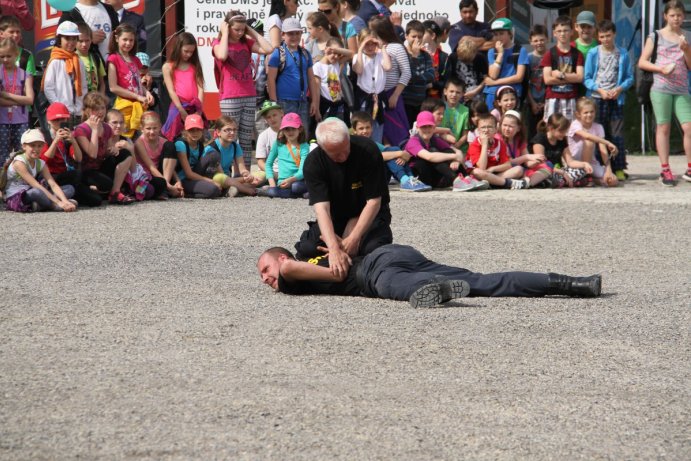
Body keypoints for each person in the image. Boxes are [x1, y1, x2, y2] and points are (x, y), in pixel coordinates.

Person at [257, 244, 603, 308]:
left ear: (282, 257)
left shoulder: (293, 270)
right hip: (398, 253)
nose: (266, 278)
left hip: (376, 270)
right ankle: (573, 284)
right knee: (484, 282)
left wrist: (333, 276)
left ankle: (432, 290)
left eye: (265, 270)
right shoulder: (313, 259)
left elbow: (287, 267)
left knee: (388, 288)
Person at [295, 117, 392, 273]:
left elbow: (374, 201)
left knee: (373, 249)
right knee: (308, 249)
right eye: (336, 154)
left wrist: (353, 239)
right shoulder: (314, 163)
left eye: (345, 149)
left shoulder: (367, 149)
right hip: (336, 217)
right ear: (322, 147)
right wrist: (334, 248)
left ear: (349, 137)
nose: (343, 157)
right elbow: (322, 210)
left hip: (369, 213)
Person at [637, 0, 691, 186]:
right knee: (664, 127)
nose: (676, 19)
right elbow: (642, 62)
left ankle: (690, 168)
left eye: (679, 15)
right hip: (661, 87)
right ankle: (665, 169)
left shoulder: (688, 36)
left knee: (689, 127)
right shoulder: (655, 36)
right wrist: (661, 69)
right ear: (665, 16)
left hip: (682, 88)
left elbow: (690, 66)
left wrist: (686, 51)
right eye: (672, 15)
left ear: (684, 16)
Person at [213, 11, 274, 170]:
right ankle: (226, 172)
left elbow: (268, 49)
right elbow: (222, 55)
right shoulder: (218, 42)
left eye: (242, 29)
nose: (240, 33)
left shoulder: (246, 42)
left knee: (246, 139)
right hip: (229, 97)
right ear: (228, 27)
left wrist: (250, 31)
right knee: (229, 137)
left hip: (249, 95)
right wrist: (225, 33)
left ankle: (243, 173)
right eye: (236, 29)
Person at [583, 20, 634, 182]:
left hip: (616, 99)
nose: (606, 39)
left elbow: (630, 77)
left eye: (608, 36)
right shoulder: (593, 53)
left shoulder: (623, 53)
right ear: (598, 37)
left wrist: (619, 89)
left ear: (614, 34)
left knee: (616, 134)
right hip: (597, 98)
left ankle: (618, 168)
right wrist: (600, 90)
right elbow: (587, 78)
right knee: (599, 133)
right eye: (602, 36)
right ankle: (600, 166)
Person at [73, 91, 134, 205]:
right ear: (88, 110)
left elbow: (105, 152)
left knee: (125, 154)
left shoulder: (106, 128)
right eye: (96, 109)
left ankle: (115, 193)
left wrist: (113, 150)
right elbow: (92, 154)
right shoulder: (81, 129)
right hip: (85, 171)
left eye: (102, 108)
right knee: (98, 196)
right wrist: (95, 130)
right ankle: (92, 190)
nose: (100, 112)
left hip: (100, 167)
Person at [267, 18, 321, 138]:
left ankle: (302, 157)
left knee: (303, 135)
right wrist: (274, 104)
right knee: (286, 136)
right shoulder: (278, 53)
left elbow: (312, 79)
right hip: (284, 102)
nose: (294, 36)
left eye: (297, 33)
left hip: (303, 102)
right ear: (283, 35)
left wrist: (315, 102)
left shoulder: (305, 53)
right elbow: (270, 79)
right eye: (290, 33)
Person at [351, 110, 431, 192]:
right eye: (361, 128)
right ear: (354, 130)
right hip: (362, 181)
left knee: (393, 149)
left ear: (372, 128)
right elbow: (375, 156)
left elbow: (393, 152)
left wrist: (402, 157)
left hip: (378, 178)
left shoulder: (372, 143)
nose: (365, 131)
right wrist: (400, 153)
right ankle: (405, 180)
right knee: (392, 153)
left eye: (367, 127)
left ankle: (410, 178)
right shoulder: (354, 144)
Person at [3, 129, 77, 212]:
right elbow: (35, 185)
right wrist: (59, 202)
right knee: (37, 192)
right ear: (24, 146)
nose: (36, 149)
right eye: (32, 145)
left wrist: (65, 201)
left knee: (70, 188)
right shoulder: (19, 163)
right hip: (18, 195)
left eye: (39, 146)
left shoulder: (41, 163)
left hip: (34, 191)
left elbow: (53, 184)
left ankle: (40, 206)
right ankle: (54, 206)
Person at [369, 15, 411, 146]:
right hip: (376, 96)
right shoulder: (371, 48)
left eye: (372, 30)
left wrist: (395, 95)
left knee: (397, 134)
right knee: (381, 134)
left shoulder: (396, 47)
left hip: (392, 94)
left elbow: (406, 73)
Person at [107, 23, 154, 138]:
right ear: (117, 38)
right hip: (124, 108)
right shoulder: (113, 59)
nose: (128, 43)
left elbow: (138, 83)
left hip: (139, 107)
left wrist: (147, 92)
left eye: (131, 40)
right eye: (125, 39)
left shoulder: (135, 59)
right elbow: (113, 87)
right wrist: (137, 96)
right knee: (124, 140)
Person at [40, 102, 91, 205]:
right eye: (56, 120)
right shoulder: (44, 135)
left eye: (63, 119)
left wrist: (73, 141)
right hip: (50, 176)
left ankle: (54, 199)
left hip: (66, 175)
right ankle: (53, 199)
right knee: (75, 177)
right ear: (48, 121)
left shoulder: (68, 136)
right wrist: (55, 141)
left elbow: (78, 159)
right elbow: (44, 160)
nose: (59, 122)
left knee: (94, 200)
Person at [461, 113, 528, 190]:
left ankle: (493, 182)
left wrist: (493, 169)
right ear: (478, 130)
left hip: (493, 173)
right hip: (479, 174)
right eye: (483, 127)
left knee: (518, 169)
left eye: (490, 127)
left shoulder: (500, 143)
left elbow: (507, 165)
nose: (486, 130)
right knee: (477, 172)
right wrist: (485, 144)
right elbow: (481, 168)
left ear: (496, 129)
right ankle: (509, 183)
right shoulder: (474, 144)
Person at [405, 111, 466, 190]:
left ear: (434, 128)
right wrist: (454, 156)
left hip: (434, 177)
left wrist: (455, 160)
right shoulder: (413, 141)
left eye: (429, 126)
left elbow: (458, 152)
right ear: (417, 127)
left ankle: (465, 178)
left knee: (447, 151)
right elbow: (429, 157)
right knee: (432, 151)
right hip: (419, 178)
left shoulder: (434, 139)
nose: (427, 129)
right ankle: (456, 180)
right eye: (423, 127)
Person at [166, 114, 222, 199]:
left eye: (198, 130)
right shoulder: (181, 144)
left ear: (202, 131)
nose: (195, 133)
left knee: (214, 155)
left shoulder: (200, 145)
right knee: (213, 190)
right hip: (183, 178)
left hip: (195, 175)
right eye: (191, 130)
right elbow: (188, 174)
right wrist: (211, 181)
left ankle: (206, 187)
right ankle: (185, 193)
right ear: (185, 130)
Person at [161, 32, 205, 141]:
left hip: (194, 106)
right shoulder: (168, 66)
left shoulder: (195, 66)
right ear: (178, 48)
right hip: (178, 106)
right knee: (175, 134)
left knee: (196, 136)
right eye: (186, 51)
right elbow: (171, 91)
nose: (188, 55)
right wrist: (181, 110)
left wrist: (199, 110)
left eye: (191, 52)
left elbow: (200, 88)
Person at [566, 97, 618, 187]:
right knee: (589, 142)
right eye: (585, 112)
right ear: (578, 114)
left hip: (591, 162)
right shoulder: (575, 124)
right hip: (575, 162)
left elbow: (603, 150)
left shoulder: (598, 127)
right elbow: (587, 136)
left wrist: (608, 169)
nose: (589, 115)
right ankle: (586, 176)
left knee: (613, 181)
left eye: (592, 112)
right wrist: (608, 142)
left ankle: (593, 179)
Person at [41, 21, 88, 121]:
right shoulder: (55, 61)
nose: (71, 42)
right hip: (61, 114)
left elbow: (83, 86)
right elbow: (48, 88)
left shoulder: (79, 61)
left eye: (74, 38)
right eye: (67, 38)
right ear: (59, 40)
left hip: (77, 112)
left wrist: (80, 107)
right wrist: (59, 108)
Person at [541, 16, 584, 121]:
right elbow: (547, 80)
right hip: (553, 98)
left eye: (566, 30)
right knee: (551, 131)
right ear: (554, 33)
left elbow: (580, 77)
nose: (562, 33)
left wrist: (561, 75)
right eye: (559, 31)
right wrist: (571, 77)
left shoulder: (577, 54)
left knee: (571, 132)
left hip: (571, 98)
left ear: (572, 32)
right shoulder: (549, 54)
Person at [203, 116, 258, 197]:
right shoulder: (211, 149)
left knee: (259, 176)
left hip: (229, 179)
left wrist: (247, 175)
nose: (232, 133)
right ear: (218, 132)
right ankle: (247, 190)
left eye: (234, 130)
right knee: (221, 178)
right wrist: (243, 180)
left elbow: (242, 168)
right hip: (214, 178)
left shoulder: (235, 146)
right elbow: (221, 174)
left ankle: (234, 189)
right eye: (228, 130)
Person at [352, 28, 390, 143]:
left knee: (377, 132)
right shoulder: (358, 57)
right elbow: (358, 69)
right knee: (363, 132)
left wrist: (382, 47)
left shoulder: (380, 56)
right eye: (366, 44)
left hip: (378, 100)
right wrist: (360, 49)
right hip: (364, 100)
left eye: (372, 44)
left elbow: (388, 67)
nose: (369, 47)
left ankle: (377, 152)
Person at [0, 38, 33, 167]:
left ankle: (22, 183)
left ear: (16, 55)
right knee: (2, 155)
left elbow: (30, 99)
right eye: (2, 56)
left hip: (21, 121)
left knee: (22, 155)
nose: (5, 60)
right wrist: (20, 100)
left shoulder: (25, 75)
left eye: (9, 56)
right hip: (2, 121)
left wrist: (5, 95)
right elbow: (25, 99)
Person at [134, 111, 182, 198]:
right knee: (154, 185)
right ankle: (165, 189)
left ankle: (164, 189)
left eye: (155, 128)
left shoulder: (164, 141)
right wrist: (169, 186)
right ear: (142, 129)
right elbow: (151, 167)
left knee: (170, 145)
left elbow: (170, 166)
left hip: (162, 176)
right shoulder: (139, 143)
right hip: (146, 176)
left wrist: (178, 181)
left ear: (160, 127)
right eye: (148, 128)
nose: (152, 132)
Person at [483, 18, 529, 109]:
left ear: (510, 33)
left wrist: (494, 82)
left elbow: (519, 77)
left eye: (501, 33)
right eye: (496, 34)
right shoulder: (492, 51)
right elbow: (493, 75)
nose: (498, 37)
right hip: (493, 94)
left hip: (511, 95)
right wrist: (500, 54)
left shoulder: (520, 50)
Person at [499, 110, 551, 188]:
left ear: (518, 128)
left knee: (547, 165)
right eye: (504, 125)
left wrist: (536, 161)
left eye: (510, 126)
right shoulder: (499, 139)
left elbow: (527, 163)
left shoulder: (519, 140)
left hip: (518, 170)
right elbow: (508, 163)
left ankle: (526, 184)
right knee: (519, 170)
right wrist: (527, 157)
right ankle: (529, 182)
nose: (507, 129)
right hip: (503, 170)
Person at [265, 113, 310, 199]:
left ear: (300, 129)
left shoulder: (304, 146)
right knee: (272, 191)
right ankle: (303, 194)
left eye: (293, 129)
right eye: (287, 129)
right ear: (282, 130)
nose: (290, 132)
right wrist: (272, 183)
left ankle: (303, 192)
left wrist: (290, 180)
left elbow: (302, 172)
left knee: (295, 187)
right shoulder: (278, 144)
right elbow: (268, 164)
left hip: (298, 181)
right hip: (282, 183)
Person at [402, 20, 435, 129]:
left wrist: (416, 78)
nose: (417, 40)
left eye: (419, 37)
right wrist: (415, 56)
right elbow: (408, 75)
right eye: (413, 36)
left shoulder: (425, 56)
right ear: (406, 36)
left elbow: (431, 75)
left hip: (421, 101)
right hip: (405, 101)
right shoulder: (403, 54)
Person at [312, 37, 352, 122]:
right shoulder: (318, 67)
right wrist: (317, 111)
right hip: (326, 108)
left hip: (338, 107)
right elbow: (316, 91)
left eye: (338, 54)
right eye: (333, 53)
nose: (336, 56)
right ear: (326, 49)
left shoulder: (336, 63)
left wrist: (336, 50)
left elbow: (351, 54)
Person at [530, 113, 573, 188]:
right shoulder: (540, 139)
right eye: (561, 131)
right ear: (551, 128)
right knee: (549, 174)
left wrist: (584, 165)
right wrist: (562, 172)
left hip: (559, 171)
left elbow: (570, 161)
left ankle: (562, 181)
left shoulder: (562, 140)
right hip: (545, 171)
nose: (564, 134)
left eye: (565, 131)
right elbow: (542, 164)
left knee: (581, 170)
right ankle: (562, 181)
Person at [443, 36, 488, 104]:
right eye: (462, 60)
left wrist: (475, 91)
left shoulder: (480, 58)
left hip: (475, 91)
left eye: (468, 60)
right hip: (457, 91)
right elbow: (448, 78)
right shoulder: (453, 57)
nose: (465, 62)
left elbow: (486, 78)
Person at [525, 25, 548, 141]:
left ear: (547, 39)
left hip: (547, 102)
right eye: (536, 40)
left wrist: (545, 102)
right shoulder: (528, 58)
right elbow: (526, 84)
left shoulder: (551, 56)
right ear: (530, 41)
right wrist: (533, 103)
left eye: (542, 39)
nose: (539, 43)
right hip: (531, 103)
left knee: (546, 132)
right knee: (531, 134)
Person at [0, 16, 36, 84]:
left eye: (18, 32)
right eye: (11, 32)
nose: (16, 35)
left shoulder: (26, 55)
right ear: (1, 34)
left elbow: (28, 85)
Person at [255, 100, 284, 184]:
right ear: (265, 120)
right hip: (268, 170)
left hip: (287, 170)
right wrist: (271, 173)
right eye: (268, 117)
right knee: (257, 179)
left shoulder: (290, 132)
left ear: (281, 113)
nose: (272, 119)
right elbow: (260, 161)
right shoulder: (263, 136)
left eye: (274, 115)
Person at [76, 22, 106, 94]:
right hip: (80, 101)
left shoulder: (96, 58)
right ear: (75, 40)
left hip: (95, 100)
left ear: (91, 40)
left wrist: (100, 99)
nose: (84, 44)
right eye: (81, 41)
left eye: (87, 40)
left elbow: (102, 83)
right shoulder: (72, 58)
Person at [421, 20, 448, 99]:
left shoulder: (444, 57)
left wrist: (432, 85)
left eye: (423, 33)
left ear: (432, 36)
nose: (420, 35)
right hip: (419, 100)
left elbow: (446, 82)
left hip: (437, 101)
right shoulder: (418, 53)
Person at [441, 78, 470, 151]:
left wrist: (456, 146)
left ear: (463, 94)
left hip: (458, 148)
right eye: (451, 91)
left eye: (458, 92)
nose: (454, 95)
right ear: (445, 91)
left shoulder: (465, 111)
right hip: (440, 145)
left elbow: (465, 134)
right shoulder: (438, 108)